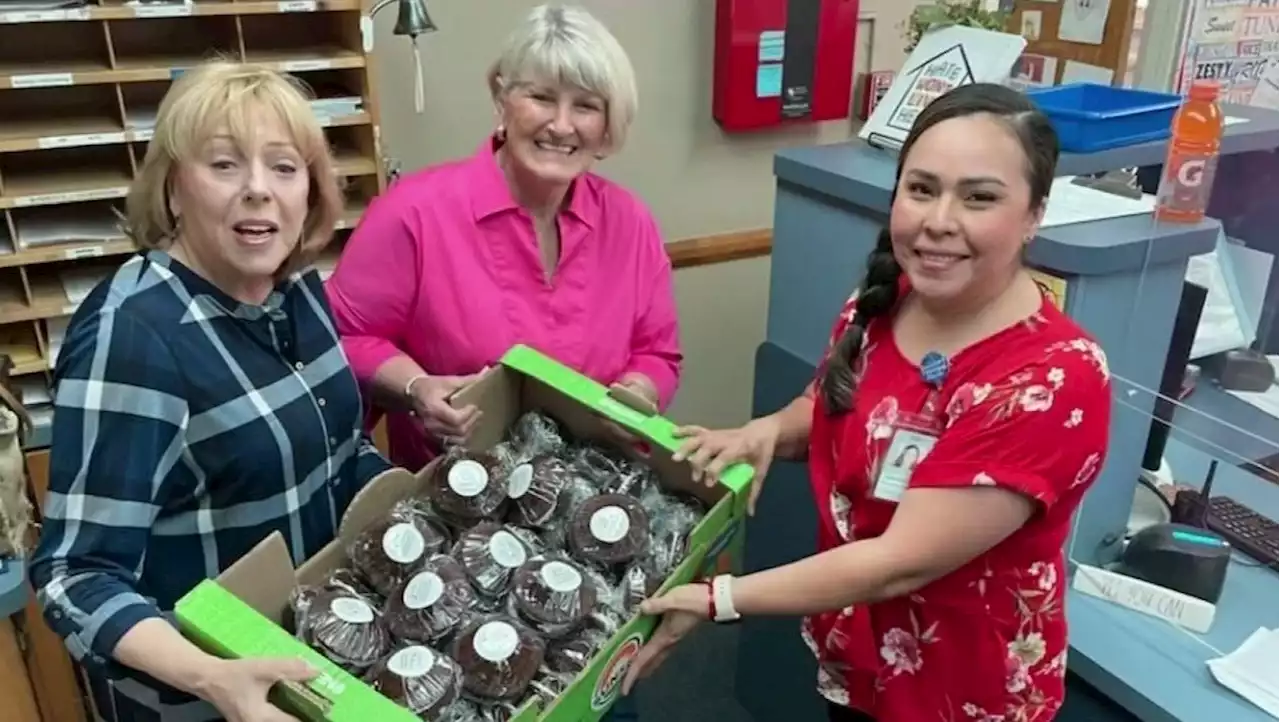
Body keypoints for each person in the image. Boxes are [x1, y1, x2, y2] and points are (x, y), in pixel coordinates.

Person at [620, 83, 1112, 722]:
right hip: (860, 662)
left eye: (980, 197)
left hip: (959, 694)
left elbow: (896, 564)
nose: (939, 220)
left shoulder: (1054, 377)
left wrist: (717, 597)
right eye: (921, 188)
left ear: (1035, 215)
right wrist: (767, 431)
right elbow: (841, 407)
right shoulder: (884, 302)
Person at [28, 61, 391, 722]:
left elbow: (336, 454)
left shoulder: (298, 288)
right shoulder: (135, 337)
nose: (259, 190)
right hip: (206, 700)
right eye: (224, 165)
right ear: (172, 190)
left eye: (284, 167)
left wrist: (423, 510)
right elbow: (74, 576)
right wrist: (214, 677)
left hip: (314, 660)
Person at [325, 3, 681, 470]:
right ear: (502, 96)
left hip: (596, 495)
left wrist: (637, 394)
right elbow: (343, 338)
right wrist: (416, 388)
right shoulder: (412, 213)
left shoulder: (631, 223)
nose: (561, 124)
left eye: (587, 105)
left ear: (608, 123)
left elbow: (657, 352)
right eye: (542, 97)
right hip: (457, 501)